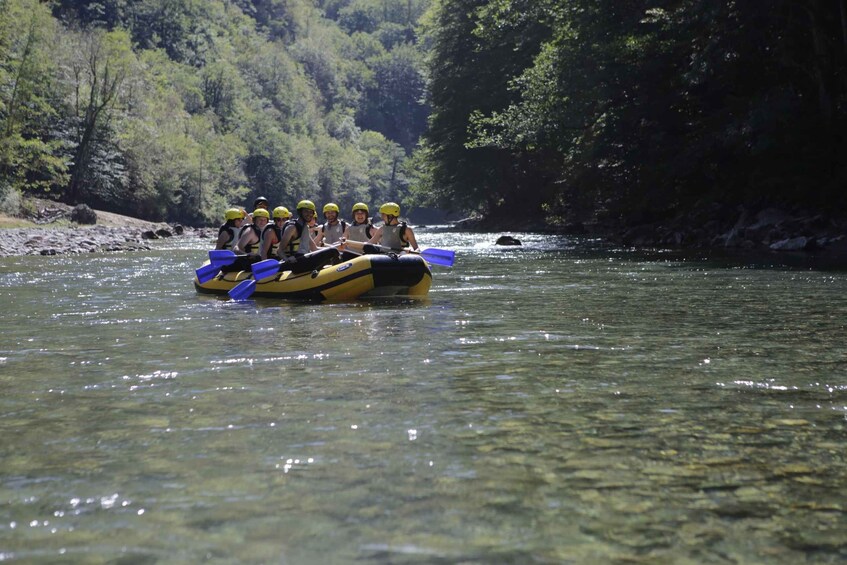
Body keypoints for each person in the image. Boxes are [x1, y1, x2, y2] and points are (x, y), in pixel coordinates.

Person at [277, 200, 339, 273]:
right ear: (300, 212)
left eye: (311, 212)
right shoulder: (292, 227)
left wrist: (330, 248)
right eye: (306, 211)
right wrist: (287, 259)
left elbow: (314, 248)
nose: (309, 214)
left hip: (304, 260)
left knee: (333, 250)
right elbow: (279, 250)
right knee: (333, 251)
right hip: (295, 263)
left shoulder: (305, 227)